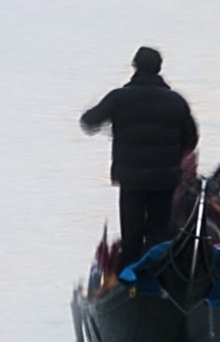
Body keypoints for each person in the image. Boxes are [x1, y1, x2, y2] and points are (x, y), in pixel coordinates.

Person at [83, 45, 202, 257]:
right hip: (165, 181)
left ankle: (131, 283)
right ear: (159, 69)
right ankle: (156, 279)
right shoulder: (176, 101)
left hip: (131, 181)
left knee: (132, 235)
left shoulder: (118, 98)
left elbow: (88, 121)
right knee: (158, 233)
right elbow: (191, 139)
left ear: (135, 67)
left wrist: (110, 123)